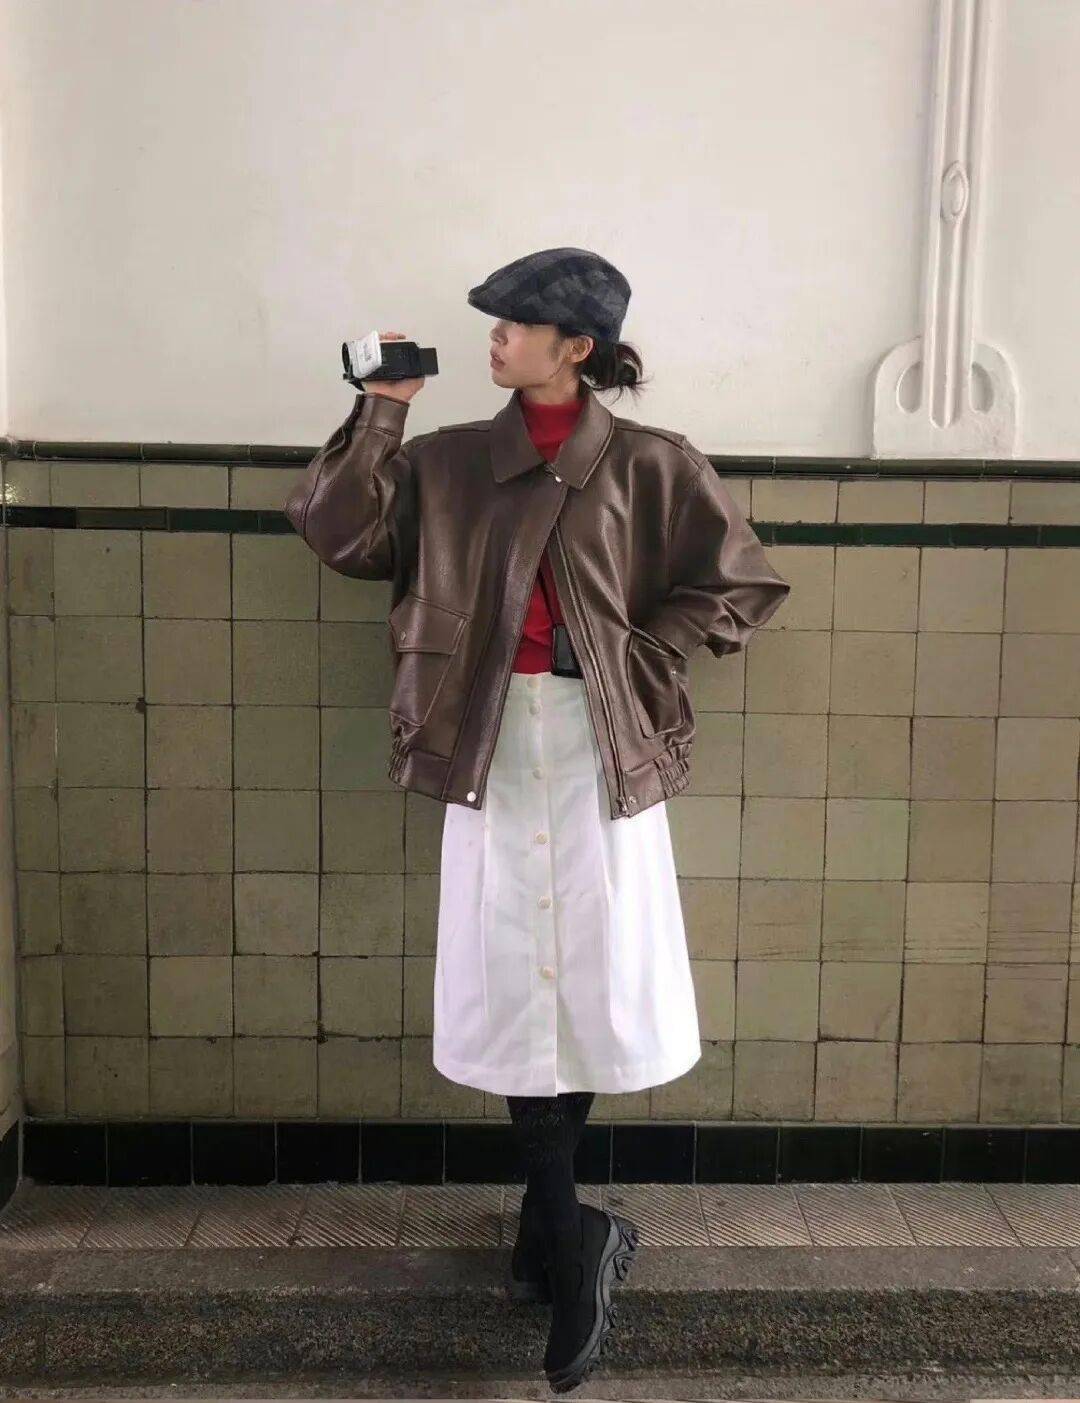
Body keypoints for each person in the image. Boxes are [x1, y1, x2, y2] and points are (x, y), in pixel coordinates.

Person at [300, 248, 790, 1392]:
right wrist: (381, 408)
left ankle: (560, 1232)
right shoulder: (447, 461)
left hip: (602, 749)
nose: (495, 338)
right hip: (485, 747)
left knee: (589, 977)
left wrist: (644, 650)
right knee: (516, 978)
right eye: (496, 323)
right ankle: (570, 1243)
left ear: (577, 346)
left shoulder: (653, 464)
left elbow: (743, 583)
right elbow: (339, 532)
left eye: (516, 324)